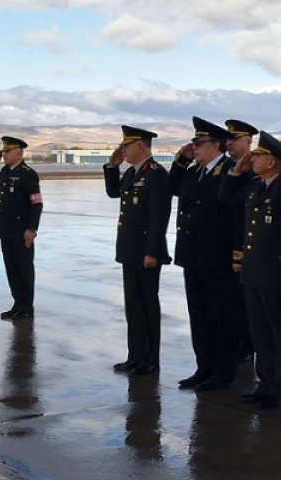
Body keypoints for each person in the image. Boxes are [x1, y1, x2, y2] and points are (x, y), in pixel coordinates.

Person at [170, 116, 239, 391]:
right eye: (194, 143)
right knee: (199, 315)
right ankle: (204, 367)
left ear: (217, 145)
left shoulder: (231, 170)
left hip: (218, 256)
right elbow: (171, 189)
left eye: (199, 143)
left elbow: (236, 215)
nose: (194, 147)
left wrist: (237, 254)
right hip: (193, 255)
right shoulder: (193, 171)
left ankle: (223, 372)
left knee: (222, 315)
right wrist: (180, 161)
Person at [220, 131, 281, 409]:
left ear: (272, 162)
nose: (252, 161)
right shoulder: (257, 186)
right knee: (260, 334)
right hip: (254, 273)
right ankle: (265, 385)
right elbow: (226, 198)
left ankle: (277, 388)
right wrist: (235, 171)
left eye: (258, 157)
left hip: (274, 274)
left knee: (275, 332)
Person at [103, 126, 171, 375]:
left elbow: (158, 216)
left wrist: (152, 251)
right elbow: (113, 192)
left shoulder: (155, 173)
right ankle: (135, 356)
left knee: (147, 306)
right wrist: (111, 167)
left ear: (140, 147)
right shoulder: (133, 172)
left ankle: (151, 359)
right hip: (130, 250)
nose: (123, 150)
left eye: (126, 146)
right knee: (133, 305)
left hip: (146, 253)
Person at [0, 136, 42, 321]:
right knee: (12, 270)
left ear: (18, 152)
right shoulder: (6, 172)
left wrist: (32, 229)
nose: (4, 155)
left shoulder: (27, 174)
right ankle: (17, 304)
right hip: (6, 230)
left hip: (21, 231)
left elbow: (36, 203)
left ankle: (26, 307)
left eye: (7, 152)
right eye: (3, 151)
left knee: (24, 270)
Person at [224, 119, 259, 362]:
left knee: (250, 309)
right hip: (228, 248)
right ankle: (239, 346)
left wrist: (240, 253)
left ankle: (247, 348)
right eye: (228, 140)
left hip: (251, 252)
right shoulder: (231, 169)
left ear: (248, 142)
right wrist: (235, 173)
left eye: (234, 140)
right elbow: (224, 200)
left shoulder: (256, 174)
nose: (229, 144)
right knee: (233, 304)